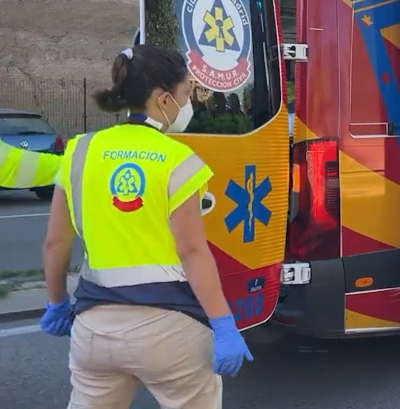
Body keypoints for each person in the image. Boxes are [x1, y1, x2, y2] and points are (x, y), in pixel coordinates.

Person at [41, 45, 253, 408]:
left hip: (93, 329)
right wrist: (223, 323)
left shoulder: (80, 150)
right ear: (165, 99)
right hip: (168, 329)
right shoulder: (178, 160)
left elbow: (56, 243)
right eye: (187, 93)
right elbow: (192, 251)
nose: (189, 102)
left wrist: (57, 303)